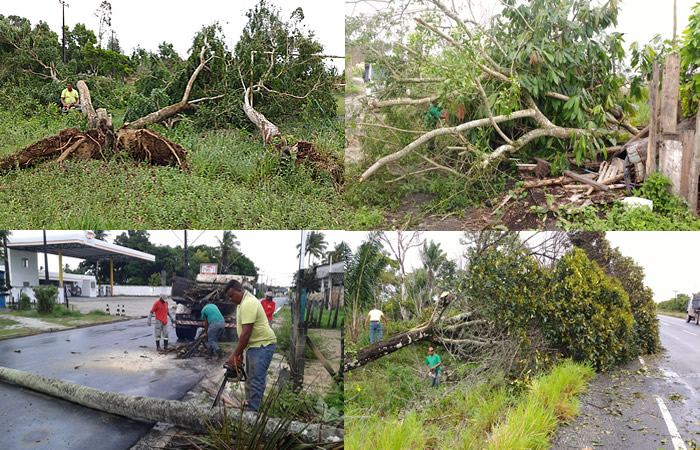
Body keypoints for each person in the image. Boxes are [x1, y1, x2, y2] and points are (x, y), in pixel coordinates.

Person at [225, 280, 277, 411]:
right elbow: (244, 334)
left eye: (232, 296)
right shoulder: (241, 303)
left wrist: (235, 354)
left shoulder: (248, 303)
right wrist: (240, 353)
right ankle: (250, 405)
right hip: (254, 346)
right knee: (250, 378)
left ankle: (253, 413)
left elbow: (246, 334)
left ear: (239, 290)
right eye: (229, 297)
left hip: (262, 345)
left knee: (256, 380)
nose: (230, 299)